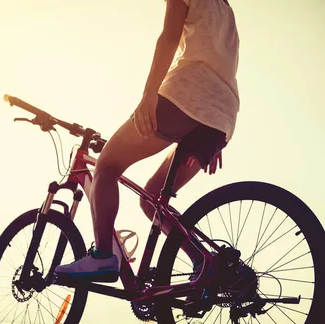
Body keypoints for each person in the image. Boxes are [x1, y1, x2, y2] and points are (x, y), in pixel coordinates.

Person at [55, 0, 240, 281]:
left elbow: (169, 37)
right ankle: (203, 262)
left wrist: (149, 94)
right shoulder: (225, 8)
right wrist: (213, 129)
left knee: (106, 166)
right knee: (151, 198)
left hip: (185, 96)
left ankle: (103, 257)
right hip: (222, 116)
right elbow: (223, 67)